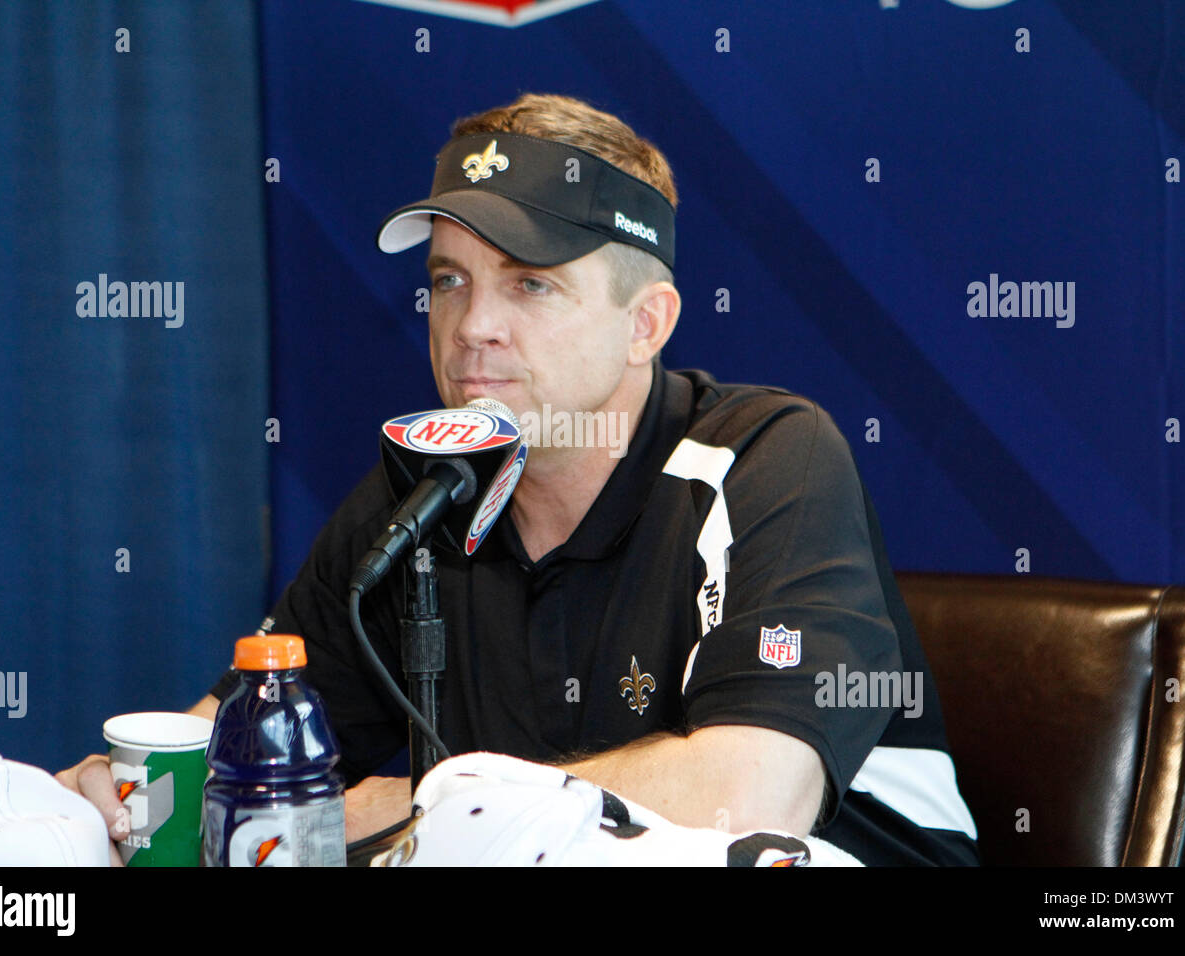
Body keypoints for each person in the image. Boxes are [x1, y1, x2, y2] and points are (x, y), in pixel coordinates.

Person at [59, 93, 978, 866]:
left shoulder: (769, 454)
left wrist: (414, 806)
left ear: (646, 324)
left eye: (530, 284)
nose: (472, 327)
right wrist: (129, 794)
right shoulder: (423, 488)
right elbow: (247, 748)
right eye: (450, 281)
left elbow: (752, 795)